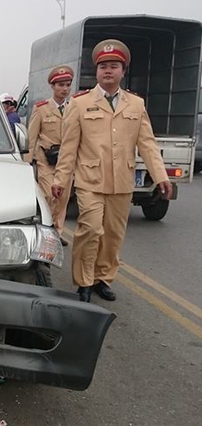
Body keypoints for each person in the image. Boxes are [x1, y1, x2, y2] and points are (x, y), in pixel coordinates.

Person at [52, 39, 172, 303]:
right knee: (90, 230)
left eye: (114, 66)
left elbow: (148, 144)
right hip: (90, 181)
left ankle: (102, 279)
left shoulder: (136, 105)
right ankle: (84, 282)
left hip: (122, 182)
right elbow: (69, 147)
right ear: (96, 71)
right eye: (103, 66)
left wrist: (161, 176)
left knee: (113, 234)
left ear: (122, 71)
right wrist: (61, 179)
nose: (108, 70)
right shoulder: (79, 104)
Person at [25, 65, 74, 246]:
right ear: (52, 86)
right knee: (49, 195)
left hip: (66, 161)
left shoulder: (74, 108)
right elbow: (31, 138)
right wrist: (27, 163)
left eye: (68, 85)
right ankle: (47, 230)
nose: (65, 89)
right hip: (46, 160)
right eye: (60, 85)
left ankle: (56, 232)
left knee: (63, 198)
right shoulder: (41, 109)